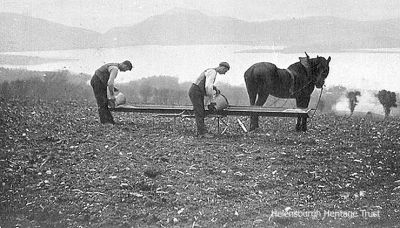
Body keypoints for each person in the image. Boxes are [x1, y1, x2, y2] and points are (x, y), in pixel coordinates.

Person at [188, 62, 230, 137]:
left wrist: (214, 87)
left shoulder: (211, 71)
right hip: (196, 91)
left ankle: (201, 132)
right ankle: (202, 133)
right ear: (223, 68)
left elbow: (206, 83)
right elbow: (208, 87)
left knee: (200, 111)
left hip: (196, 91)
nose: (224, 73)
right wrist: (212, 99)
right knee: (199, 112)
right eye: (225, 71)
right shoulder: (212, 72)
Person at [90, 60, 133, 124]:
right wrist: (112, 96)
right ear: (124, 65)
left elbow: (107, 81)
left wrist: (113, 88)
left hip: (98, 81)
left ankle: (109, 121)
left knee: (104, 102)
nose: (124, 71)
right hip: (97, 82)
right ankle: (105, 122)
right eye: (126, 69)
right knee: (102, 103)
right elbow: (110, 83)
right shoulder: (115, 69)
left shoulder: (113, 66)